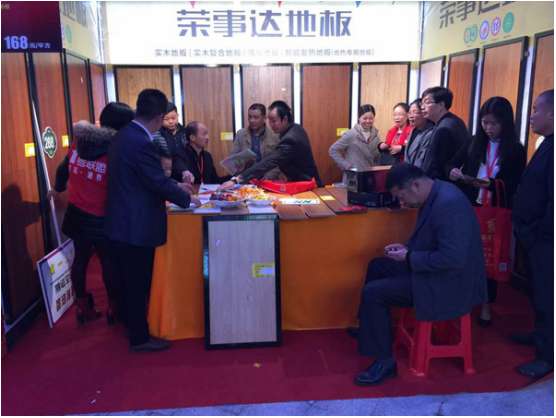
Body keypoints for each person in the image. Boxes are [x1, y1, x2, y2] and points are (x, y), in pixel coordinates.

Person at [354, 163, 487, 386]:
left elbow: (452, 259)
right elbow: (432, 242)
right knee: (377, 266)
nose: (402, 203)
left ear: (415, 185)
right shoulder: (436, 193)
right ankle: (372, 331)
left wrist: (409, 257)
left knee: (373, 293)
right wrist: (406, 250)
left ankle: (385, 361)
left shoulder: (449, 204)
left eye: (402, 196)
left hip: (448, 283)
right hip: (434, 271)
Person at [104, 89, 199, 352]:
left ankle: (131, 325)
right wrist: (187, 198)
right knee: (137, 282)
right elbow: (155, 181)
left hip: (121, 220)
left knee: (129, 280)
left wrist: (175, 186)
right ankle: (139, 338)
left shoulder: (124, 135)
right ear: (158, 117)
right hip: (135, 224)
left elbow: (143, 178)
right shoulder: (141, 142)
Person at [51, 102, 135, 325]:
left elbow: (63, 169)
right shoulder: (115, 150)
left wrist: (58, 188)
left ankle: (83, 308)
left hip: (77, 213)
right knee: (109, 263)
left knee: (80, 260)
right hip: (103, 217)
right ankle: (113, 309)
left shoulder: (80, 143)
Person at [448, 97, 526, 327]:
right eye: (485, 122)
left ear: (505, 123)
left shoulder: (515, 149)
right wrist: (454, 172)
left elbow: (515, 183)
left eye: (494, 123)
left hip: (496, 209)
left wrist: (489, 184)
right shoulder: (474, 142)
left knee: (489, 257)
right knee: (467, 253)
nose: (489, 128)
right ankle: (462, 297)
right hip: (471, 206)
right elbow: (451, 163)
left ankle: (486, 305)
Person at [511, 89, 553, 379]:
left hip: (546, 239)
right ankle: (540, 335)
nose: (531, 115)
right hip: (533, 235)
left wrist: (538, 233)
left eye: (536, 109)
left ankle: (547, 355)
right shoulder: (547, 142)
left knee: (548, 295)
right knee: (537, 291)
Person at [220, 100, 322, 188]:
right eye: (270, 121)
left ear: (285, 119)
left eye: (274, 121)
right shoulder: (296, 128)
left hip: (307, 185)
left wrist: (237, 179)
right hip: (301, 182)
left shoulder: (290, 138)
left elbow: (270, 161)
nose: (271, 125)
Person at [420, 86, 471, 180]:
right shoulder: (452, 120)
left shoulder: (444, 128)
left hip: (442, 182)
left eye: (427, 102)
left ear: (441, 105)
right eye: (422, 103)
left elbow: (437, 164)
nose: (422, 107)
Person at [328, 104, 381, 183]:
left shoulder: (376, 135)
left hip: (369, 176)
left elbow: (377, 156)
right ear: (359, 118)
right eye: (365, 118)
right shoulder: (351, 134)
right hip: (353, 177)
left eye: (371, 118)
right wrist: (346, 165)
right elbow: (333, 150)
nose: (368, 121)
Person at [229, 103, 283, 179]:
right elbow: (232, 160)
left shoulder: (275, 135)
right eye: (250, 117)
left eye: (256, 117)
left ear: (264, 118)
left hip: (268, 179)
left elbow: (278, 162)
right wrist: (242, 162)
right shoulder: (240, 134)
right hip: (245, 179)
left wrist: (267, 178)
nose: (252, 120)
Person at [404, 99, 434, 168]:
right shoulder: (413, 131)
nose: (411, 116)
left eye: (415, 112)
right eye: (409, 113)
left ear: (424, 114)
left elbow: (422, 161)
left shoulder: (431, 133)